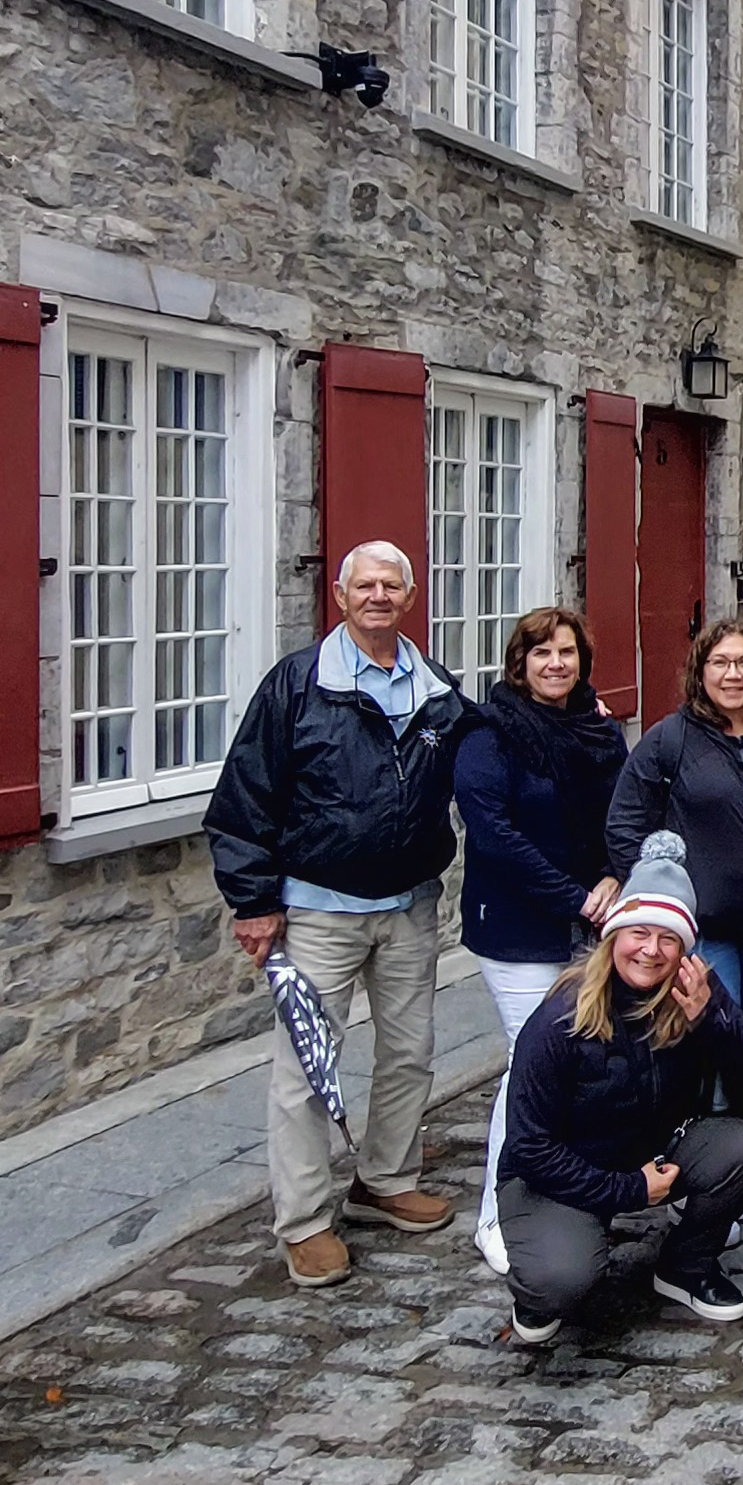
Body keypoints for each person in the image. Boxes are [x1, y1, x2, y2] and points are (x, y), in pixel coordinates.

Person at [206, 542, 468, 1289]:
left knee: (410, 1051)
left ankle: (385, 1180)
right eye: (365, 585)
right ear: (343, 597)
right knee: (306, 1068)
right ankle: (303, 1222)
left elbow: (495, 755)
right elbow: (244, 796)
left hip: (410, 905)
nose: (378, 596)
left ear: (410, 598)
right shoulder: (297, 685)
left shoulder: (437, 689)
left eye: (391, 585)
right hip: (317, 909)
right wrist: (253, 901)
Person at [495, 831, 743, 1347]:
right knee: (561, 1281)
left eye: (668, 938)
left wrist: (712, 1021)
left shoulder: (695, 993)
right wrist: (628, 1191)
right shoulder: (559, 1018)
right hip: (556, 1174)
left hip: (651, 1150)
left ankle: (686, 1266)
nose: (651, 950)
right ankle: (539, 1284)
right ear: (613, 937)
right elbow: (530, 1147)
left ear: (684, 949)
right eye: (639, 933)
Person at [453, 603, 626, 1252]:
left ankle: (566, 1192)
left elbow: (624, 812)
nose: (556, 663)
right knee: (529, 1062)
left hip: (590, 923)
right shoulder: (489, 734)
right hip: (518, 927)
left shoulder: (599, 730)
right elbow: (495, 836)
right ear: (519, 663)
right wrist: (577, 898)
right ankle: (497, 1213)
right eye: (542, 652)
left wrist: (613, 874)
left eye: (567, 652)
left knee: (584, 1062)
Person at [610, 617, 743, 1038]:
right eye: (720, 663)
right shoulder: (669, 740)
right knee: (713, 1033)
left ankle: (742, 1087)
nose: (733, 674)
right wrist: (657, 896)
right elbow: (625, 822)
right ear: (701, 670)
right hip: (705, 926)